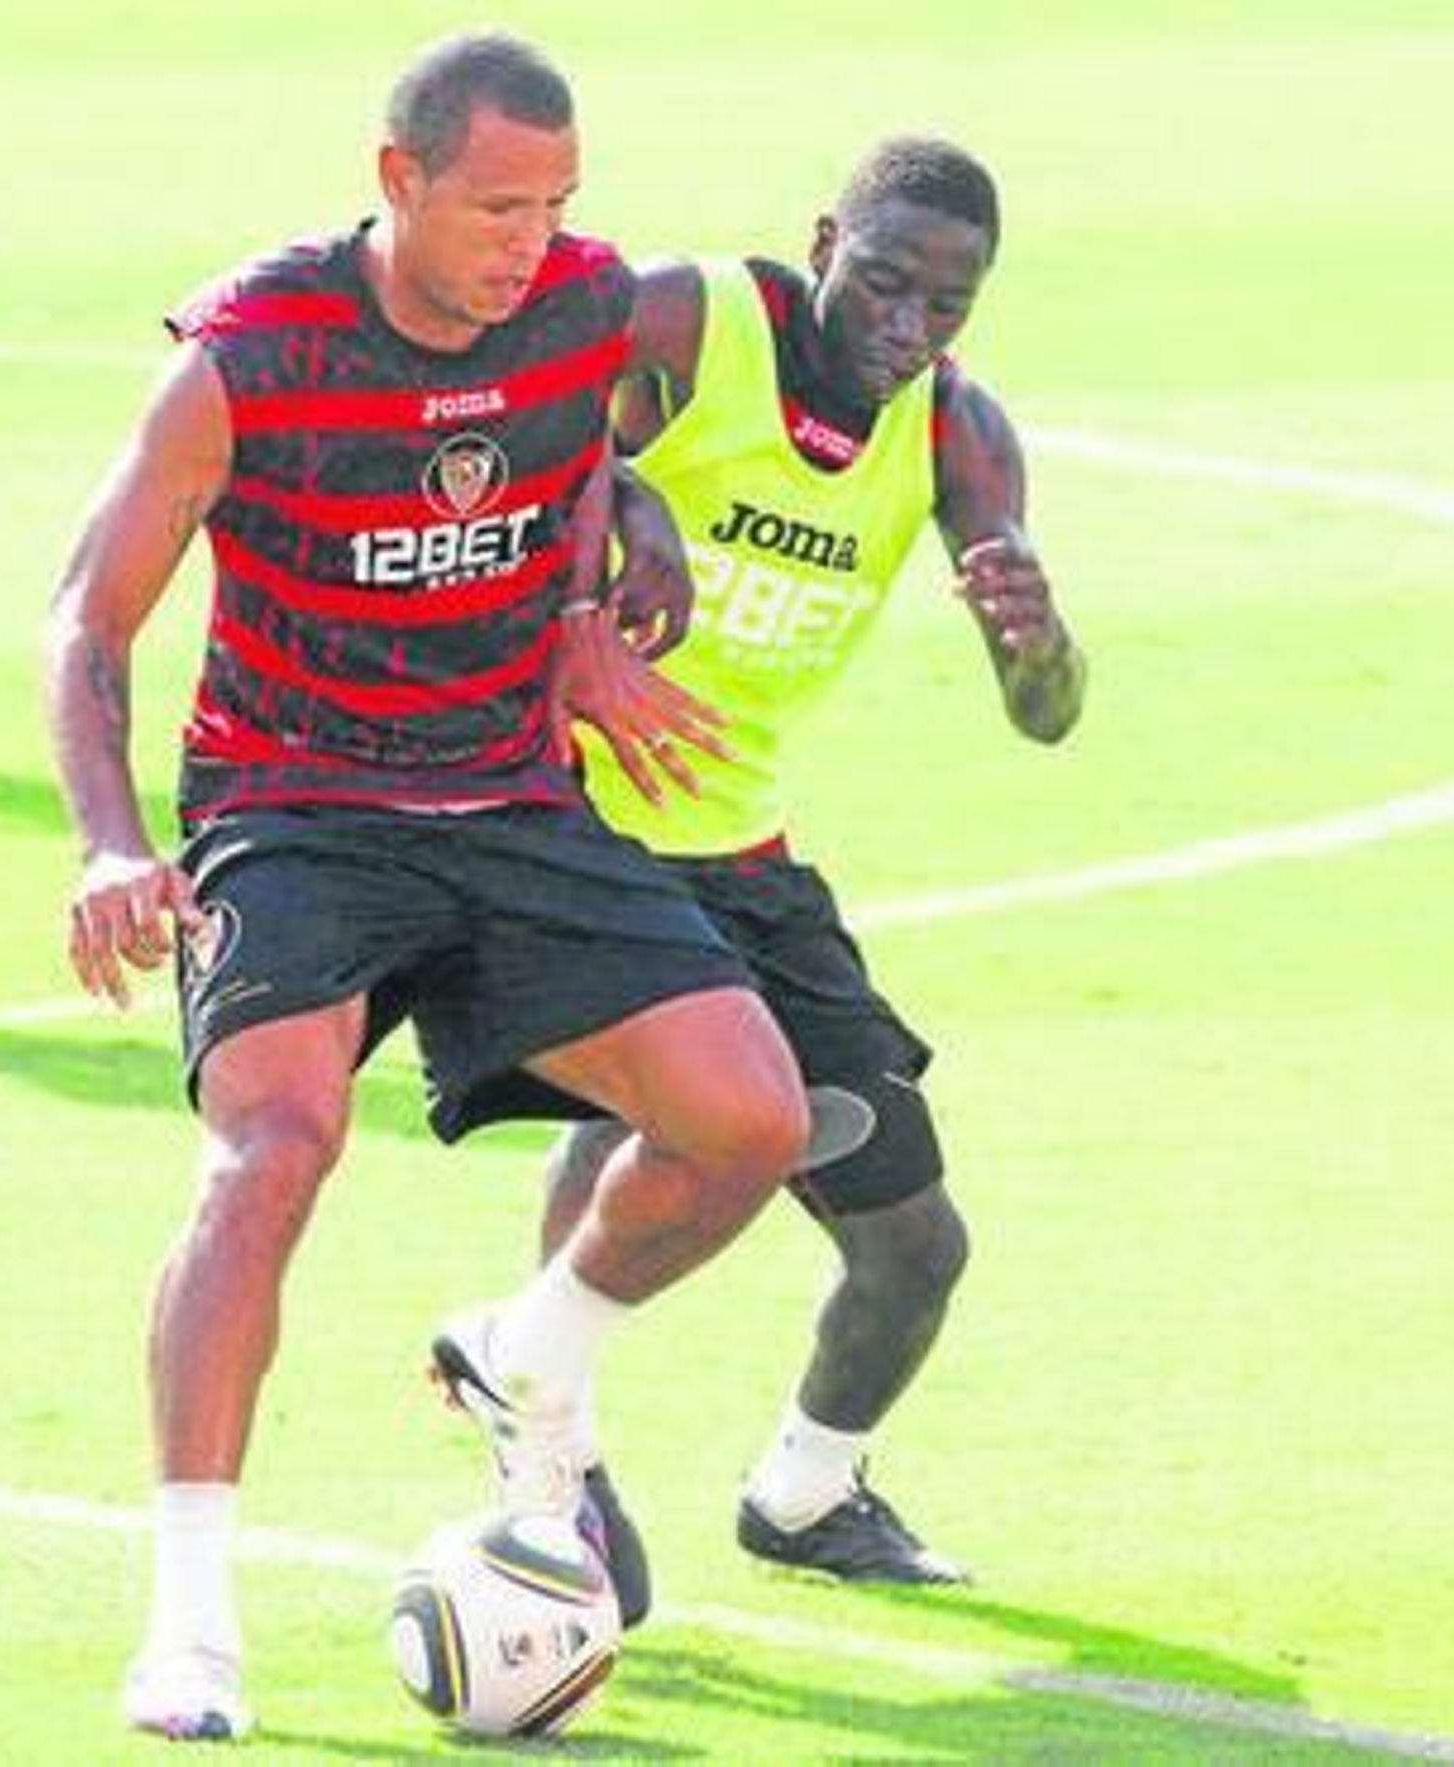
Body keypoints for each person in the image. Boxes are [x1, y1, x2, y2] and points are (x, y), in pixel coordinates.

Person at [44, 34, 817, 1743]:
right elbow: (86, 618)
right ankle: (192, 1619)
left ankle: (530, 1353)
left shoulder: (585, 305)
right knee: (276, 1151)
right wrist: (111, 840)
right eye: (494, 206)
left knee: (753, 1116)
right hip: (294, 807)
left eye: (555, 204)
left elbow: (581, 454)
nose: (529, 240)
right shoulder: (249, 354)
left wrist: (589, 606)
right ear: (395, 182)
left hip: (509, 801)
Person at [408, 135, 1086, 1609]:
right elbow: (495, 405)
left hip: (746, 856)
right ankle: (550, 1462)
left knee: (915, 1249)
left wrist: (1037, 640)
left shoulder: (957, 437)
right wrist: (628, 498)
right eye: (886, 283)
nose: (906, 329)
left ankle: (802, 1494)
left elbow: (1047, 721)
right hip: (574, 828)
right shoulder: (700, 322)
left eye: (945, 308)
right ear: (825, 235)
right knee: (641, 1124)